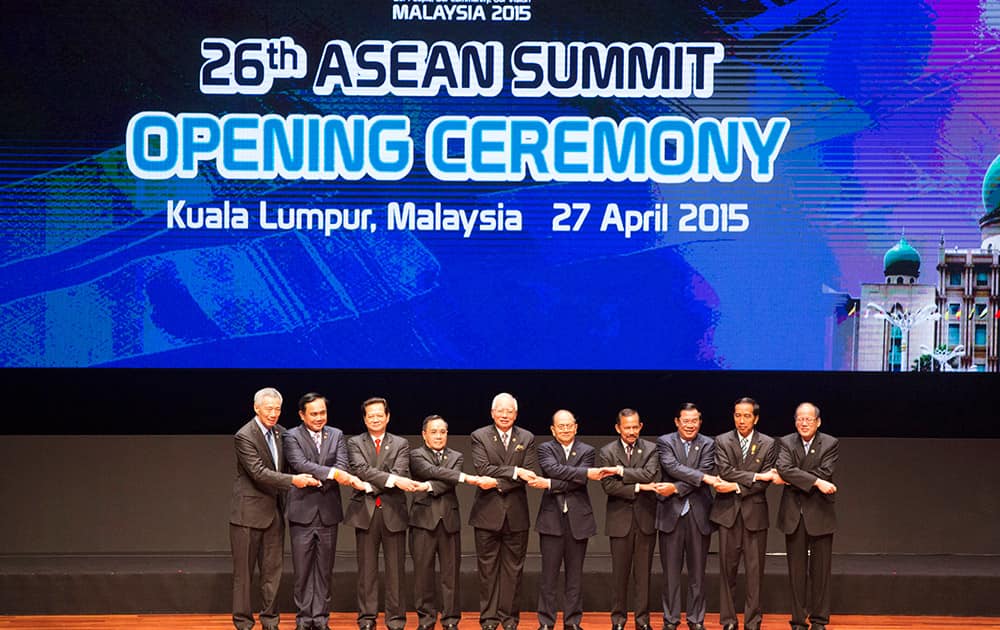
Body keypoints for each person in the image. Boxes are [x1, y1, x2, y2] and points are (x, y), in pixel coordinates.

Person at [230, 387, 320, 630]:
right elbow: (259, 473)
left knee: (273, 573)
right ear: (256, 408)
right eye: (268, 408)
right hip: (247, 516)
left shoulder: (281, 433)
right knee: (244, 574)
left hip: (275, 515)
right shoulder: (244, 435)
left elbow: (294, 463)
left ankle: (270, 621)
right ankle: (243, 623)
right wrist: (293, 481)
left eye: (277, 409)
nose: (273, 413)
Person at [284, 392, 367, 630]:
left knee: (324, 570)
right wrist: (332, 475)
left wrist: (327, 476)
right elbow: (300, 464)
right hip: (302, 512)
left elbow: (342, 464)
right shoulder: (291, 436)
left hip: (328, 511)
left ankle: (320, 619)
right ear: (302, 415)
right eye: (314, 414)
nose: (320, 418)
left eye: (323, 412)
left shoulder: (337, 434)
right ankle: (303, 619)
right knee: (302, 571)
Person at [409, 415, 499, 630]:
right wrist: (460, 478)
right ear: (424, 435)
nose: (439, 436)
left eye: (442, 432)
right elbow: (430, 472)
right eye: (434, 432)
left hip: (449, 521)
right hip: (422, 522)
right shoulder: (415, 455)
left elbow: (447, 482)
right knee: (423, 575)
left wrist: (429, 486)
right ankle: (426, 620)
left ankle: (450, 620)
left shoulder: (456, 456)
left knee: (451, 576)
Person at [345, 397, 427, 630]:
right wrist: (389, 478)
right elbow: (359, 469)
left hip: (393, 512)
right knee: (366, 571)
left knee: (396, 571)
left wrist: (370, 484)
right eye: (370, 415)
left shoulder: (400, 443)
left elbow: (400, 473)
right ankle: (367, 619)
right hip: (365, 513)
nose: (375, 419)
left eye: (379, 415)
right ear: (364, 418)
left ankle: (396, 619)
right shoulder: (354, 443)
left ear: (388, 416)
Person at [533, 410, 617, 630]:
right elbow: (552, 469)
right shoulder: (545, 449)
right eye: (561, 426)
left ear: (576, 427)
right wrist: (581, 473)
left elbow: (578, 483)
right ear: (553, 429)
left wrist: (551, 484)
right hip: (551, 519)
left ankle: (572, 621)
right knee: (549, 575)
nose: (565, 429)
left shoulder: (587, 450)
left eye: (569, 425)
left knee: (575, 575)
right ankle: (546, 621)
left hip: (579, 520)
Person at [709, 397, 782, 630]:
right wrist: (754, 476)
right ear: (733, 416)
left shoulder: (768, 444)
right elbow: (724, 470)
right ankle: (728, 621)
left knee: (754, 572)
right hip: (727, 514)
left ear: (756, 418)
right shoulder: (721, 441)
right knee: (727, 571)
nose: (742, 420)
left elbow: (765, 483)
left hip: (755, 515)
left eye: (747, 415)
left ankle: (753, 621)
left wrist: (736, 486)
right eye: (738, 415)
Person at [469, 392, 539, 630]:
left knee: (513, 570)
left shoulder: (527, 437)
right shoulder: (479, 436)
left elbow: (529, 474)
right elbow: (483, 467)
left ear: (516, 414)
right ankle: (489, 619)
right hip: (487, 513)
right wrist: (515, 472)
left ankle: (509, 619)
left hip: (516, 515)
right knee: (487, 570)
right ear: (492, 413)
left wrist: (500, 481)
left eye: (509, 411)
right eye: (501, 410)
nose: (505, 415)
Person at [655, 402, 720, 630]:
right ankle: (671, 619)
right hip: (670, 514)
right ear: (677, 422)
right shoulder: (665, 442)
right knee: (670, 573)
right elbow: (671, 467)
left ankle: (696, 619)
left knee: (698, 574)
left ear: (700, 422)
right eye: (686, 421)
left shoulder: (709, 444)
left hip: (699, 514)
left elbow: (705, 472)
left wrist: (675, 488)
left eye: (694, 421)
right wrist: (701, 479)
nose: (690, 425)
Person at [598, 408, 663, 630]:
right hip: (619, 521)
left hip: (645, 519)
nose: (632, 431)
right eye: (627, 427)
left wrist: (619, 471)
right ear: (618, 428)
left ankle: (642, 621)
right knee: (619, 575)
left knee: (643, 574)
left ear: (641, 426)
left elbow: (650, 474)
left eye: (635, 427)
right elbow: (608, 486)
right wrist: (638, 486)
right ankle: (618, 620)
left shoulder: (652, 449)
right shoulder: (606, 452)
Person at [776, 402, 839, 630]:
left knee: (821, 571)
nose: (804, 423)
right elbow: (783, 468)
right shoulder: (785, 442)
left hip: (820, 512)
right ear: (795, 421)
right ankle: (798, 620)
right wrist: (816, 482)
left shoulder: (830, 443)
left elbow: (825, 471)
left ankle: (820, 620)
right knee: (796, 571)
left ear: (818, 422)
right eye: (800, 419)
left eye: (808, 419)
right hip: (794, 514)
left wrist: (794, 478)